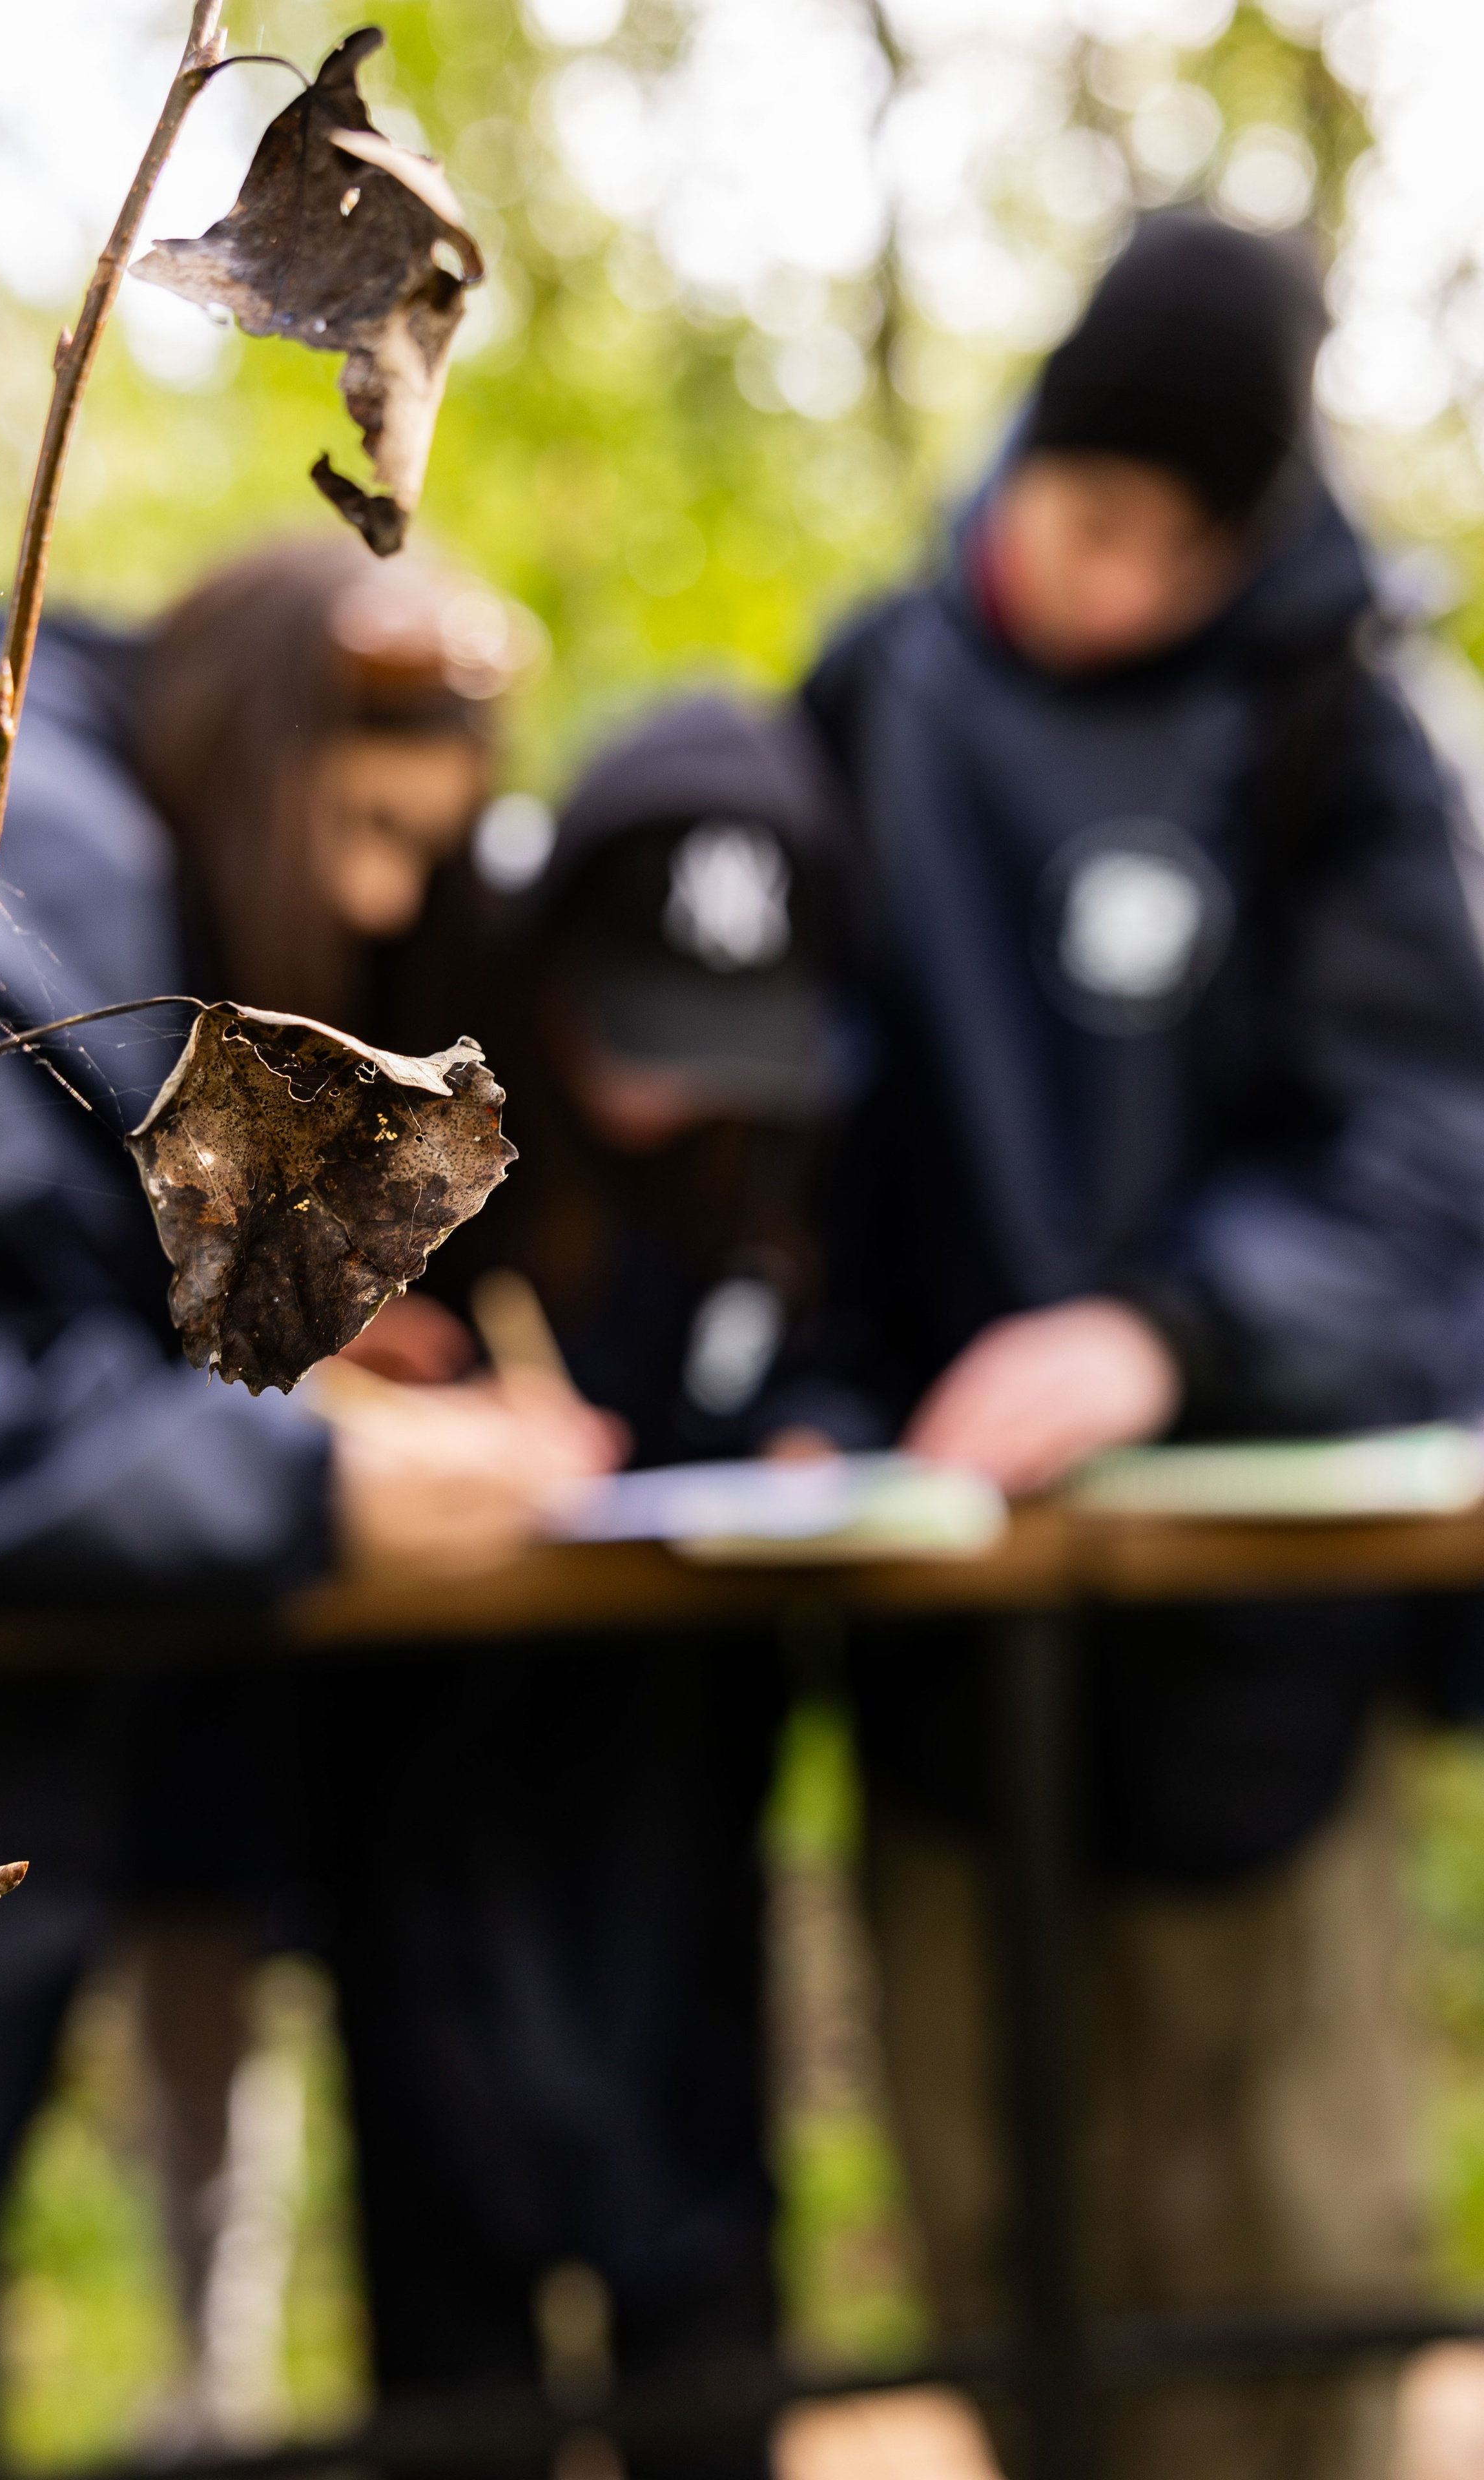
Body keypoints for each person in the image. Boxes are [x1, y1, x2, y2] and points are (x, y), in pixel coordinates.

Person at [801, 210, 1484, 2480]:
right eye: (1100, 515)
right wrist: (786, 1407)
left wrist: (1169, 1334)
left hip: (1248, 1679)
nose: (1124, 582)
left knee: (1288, 2276)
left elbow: (1427, 1166)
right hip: (942, 1674)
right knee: (1014, 2276)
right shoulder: (872, 696)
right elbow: (775, 1147)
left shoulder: (1338, 732)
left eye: (1187, 544)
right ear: (1037, 457)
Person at [0, 530, 579, 2474]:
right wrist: (293, 1489)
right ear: (256, 746)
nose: (373, 893)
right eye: (364, 823)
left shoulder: (27, 829)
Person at [304, 694, 872, 2480]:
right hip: (433, 1820)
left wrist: (811, 1441)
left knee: (706, 2302)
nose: (662, 1083)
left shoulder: (782, 1150)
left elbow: (848, 1346)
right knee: (454, 2332)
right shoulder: (408, 1091)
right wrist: (358, 1378)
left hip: (685, 1809)